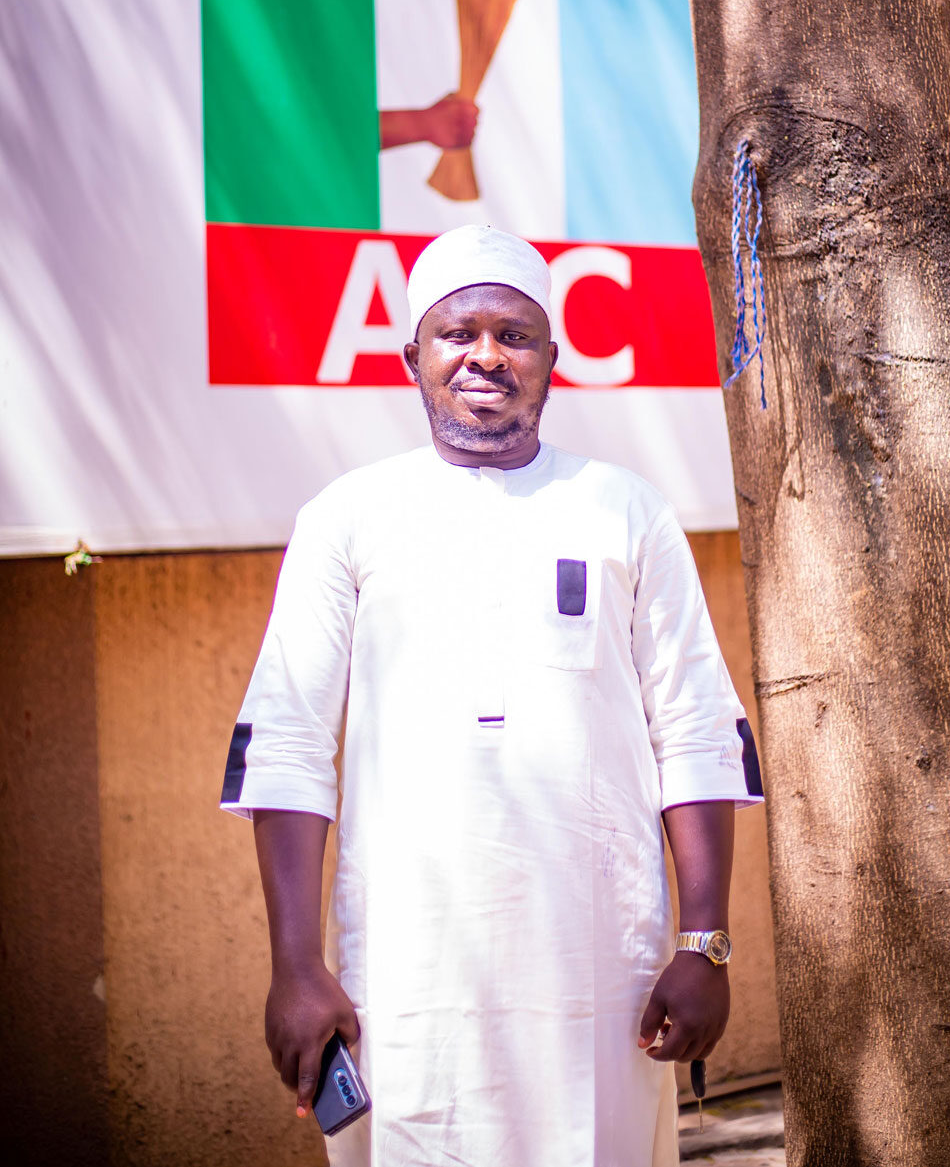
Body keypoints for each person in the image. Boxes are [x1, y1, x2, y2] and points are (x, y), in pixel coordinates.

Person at [221, 224, 763, 1167]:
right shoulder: (346, 517)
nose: (485, 355)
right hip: (408, 976)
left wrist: (704, 944)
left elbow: (695, 731)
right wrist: (297, 966)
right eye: (457, 332)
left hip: (604, 977)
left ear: (552, 358)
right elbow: (289, 746)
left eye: (514, 335)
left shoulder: (625, 509)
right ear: (412, 358)